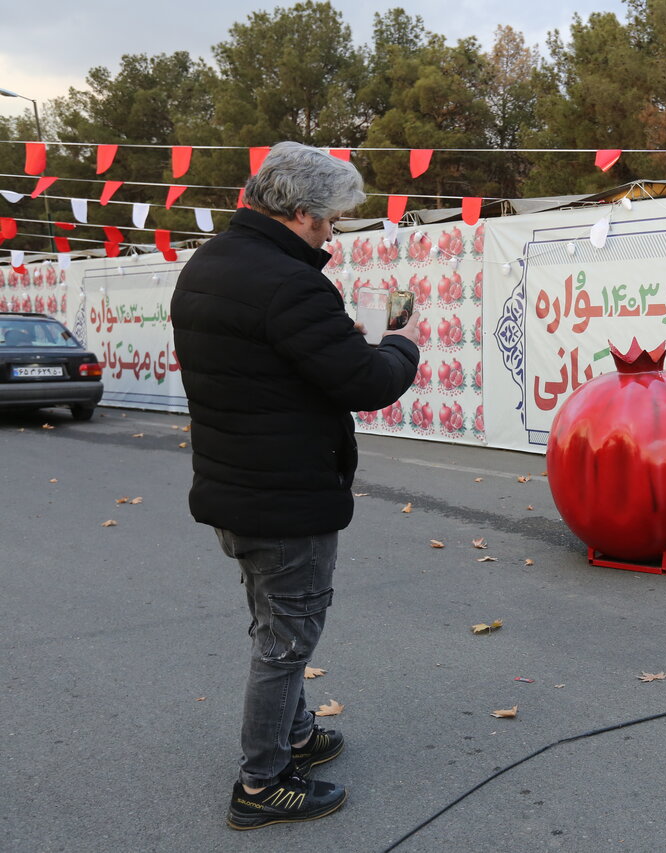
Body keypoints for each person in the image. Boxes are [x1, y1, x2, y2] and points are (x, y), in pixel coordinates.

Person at [171, 141, 421, 830]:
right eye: (332, 220)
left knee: (274, 623)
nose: (334, 233)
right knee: (286, 642)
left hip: (236, 485)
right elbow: (366, 382)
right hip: (284, 496)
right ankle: (262, 780)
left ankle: (298, 736)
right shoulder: (289, 282)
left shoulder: (210, 264)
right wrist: (402, 340)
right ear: (303, 213)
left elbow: (275, 368)